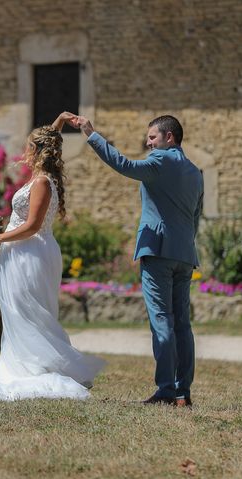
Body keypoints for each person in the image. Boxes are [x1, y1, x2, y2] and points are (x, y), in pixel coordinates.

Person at [75, 113, 203, 408]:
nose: (148, 143)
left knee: (162, 320)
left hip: (158, 252)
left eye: (152, 137)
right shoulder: (196, 172)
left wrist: (91, 134)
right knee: (183, 324)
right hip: (185, 255)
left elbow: (125, 166)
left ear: (169, 137)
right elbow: (196, 216)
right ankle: (183, 392)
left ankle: (166, 391)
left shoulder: (161, 160)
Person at [0, 112, 106, 401]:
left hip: (29, 254)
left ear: (36, 151)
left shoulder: (41, 183)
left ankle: (35, 369)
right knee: (22, 312)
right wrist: (59, 122)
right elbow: (49, 139)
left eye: (29, 147)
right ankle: (29, 361)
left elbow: (32, 226)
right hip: (23, 253)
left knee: (28, 312)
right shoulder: (40, 178)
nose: (24, 152)